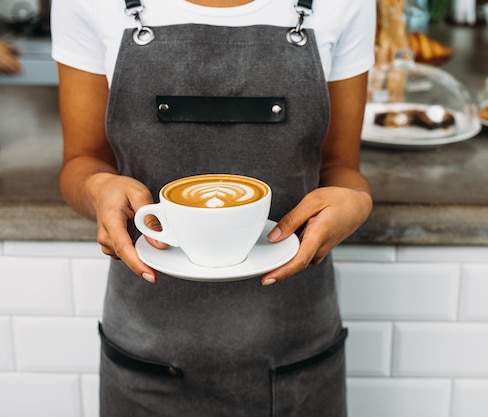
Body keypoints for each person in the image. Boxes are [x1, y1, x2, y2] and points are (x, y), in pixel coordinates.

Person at [51, 0, 375, 415]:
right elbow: (80, 161)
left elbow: (341, 167)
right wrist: (98, 187)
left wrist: (357, 202)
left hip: (297, 357)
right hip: (145, 359)